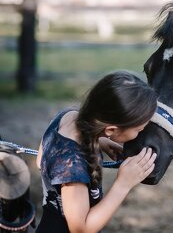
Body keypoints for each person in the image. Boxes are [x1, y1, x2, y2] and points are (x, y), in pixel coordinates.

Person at [35, 70, 158, 233]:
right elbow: (81, 229)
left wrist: (99, 141)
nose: (140, 133)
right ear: (111, 129)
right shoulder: (72, 167)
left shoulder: (69, 117)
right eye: (139, 129)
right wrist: (123, 184)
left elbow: (40, 160)